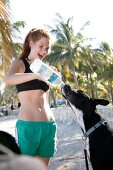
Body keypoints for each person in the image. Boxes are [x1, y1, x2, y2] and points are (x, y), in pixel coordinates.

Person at [5, 28, 57, 167]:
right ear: (31, 44)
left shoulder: (46, 69)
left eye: (47, 48)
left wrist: (54, 78)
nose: (44, 51)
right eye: (41, 46)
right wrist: (36, 75)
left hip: (48, 126)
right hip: (28, 126)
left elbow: (44, 97)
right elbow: (9, 79)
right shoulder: (20, 63)